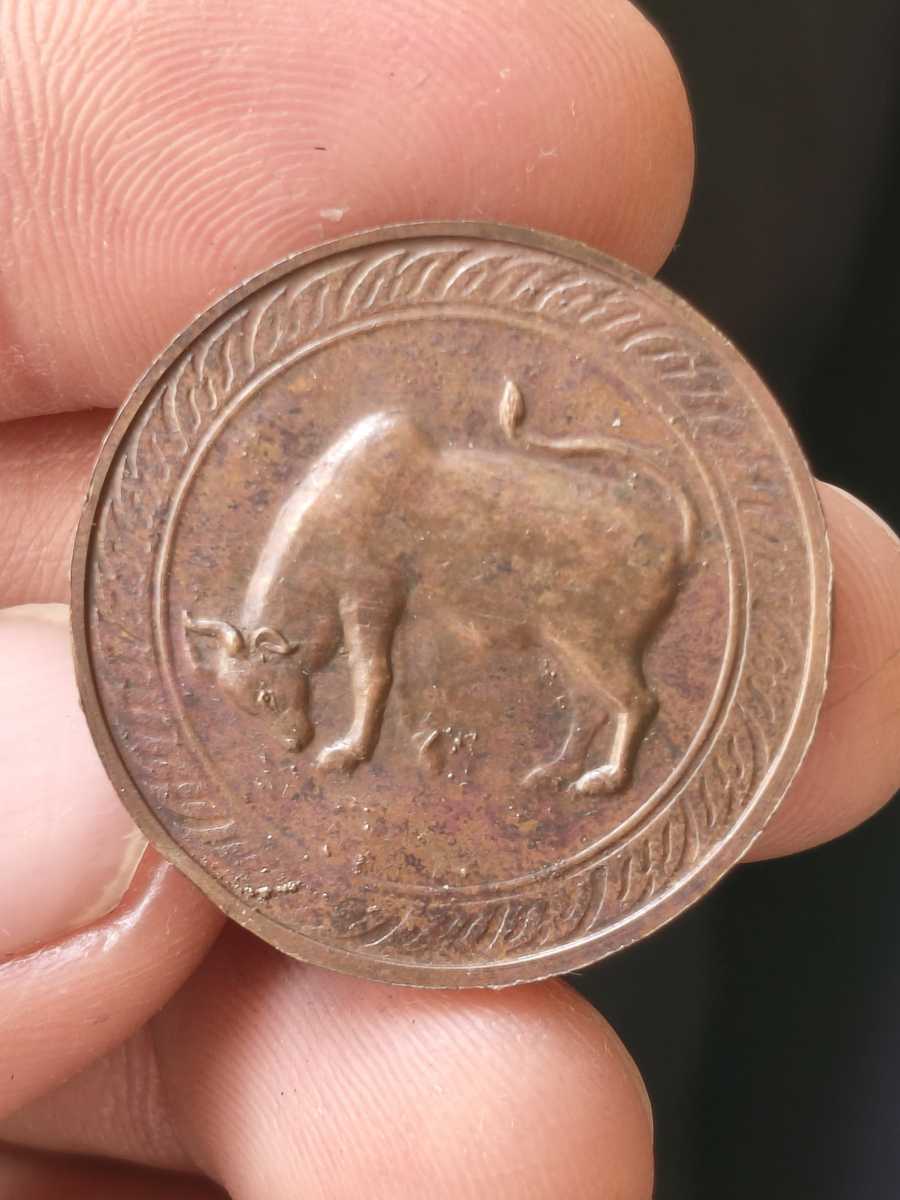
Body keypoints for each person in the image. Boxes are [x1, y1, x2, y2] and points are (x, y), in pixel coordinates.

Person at [0, 2, 898, 1196]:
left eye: (269, 691)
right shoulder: (320, 528)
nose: (270, 708)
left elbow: (369, 630)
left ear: (269, 649)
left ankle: (615, 729)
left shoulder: (351, 514)